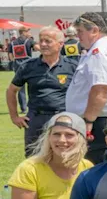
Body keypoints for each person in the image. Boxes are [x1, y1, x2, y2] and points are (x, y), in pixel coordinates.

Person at [63, 12, 107, 164]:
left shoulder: (101, 52)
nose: (78, 36)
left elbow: (101, 90)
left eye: (80, 32)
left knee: (94, 166)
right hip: (97, 119)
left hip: (97, 122)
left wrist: (88, 120)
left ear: (94, 31)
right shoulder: (101, 49)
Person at [7, 26, 77, 156]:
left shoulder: (72, 67)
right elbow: (11, 90)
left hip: (63, 118)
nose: (43, 44)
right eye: (41, 41)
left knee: (64, 157)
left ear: (60, 44)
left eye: (48, 41)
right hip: (35, 118)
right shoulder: (28, 66)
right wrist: (14, 116)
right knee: (33, 159)